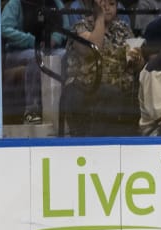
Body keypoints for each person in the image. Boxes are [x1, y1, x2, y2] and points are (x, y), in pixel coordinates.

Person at [62, 0, 145, 136]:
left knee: (138, 93)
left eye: (112, 4)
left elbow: (137, 67)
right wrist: (99, 18)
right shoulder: (80, 27)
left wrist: (138, 61)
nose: (107, 8)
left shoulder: (123, 29)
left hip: (120, 90)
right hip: (84, 89)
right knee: (109, 93)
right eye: (102, 4)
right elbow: (92, 50)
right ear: (93, 6)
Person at [1, 0, 68, 124]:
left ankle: (64, 108)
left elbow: (65, 27)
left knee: (64, 54)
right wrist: (31, 41)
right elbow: (4, 28)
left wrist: (54, 39)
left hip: (49, 48)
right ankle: (31, 110)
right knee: (36, 57)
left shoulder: (56, 3)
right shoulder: (15, 4)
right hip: (18, 51)